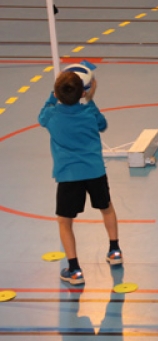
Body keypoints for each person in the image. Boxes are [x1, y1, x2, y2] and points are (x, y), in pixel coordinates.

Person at [39, 71, 122, 285]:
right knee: (107, 208)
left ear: (57, 93)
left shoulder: (52, 116)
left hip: (69, 176)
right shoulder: (89, 112)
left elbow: (41, 117)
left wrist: (52, 96)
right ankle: (115, 251)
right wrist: (91, 100)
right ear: (83, 92)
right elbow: (102, 125)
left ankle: (74, 270)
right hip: (95, 172)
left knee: (64, 222)